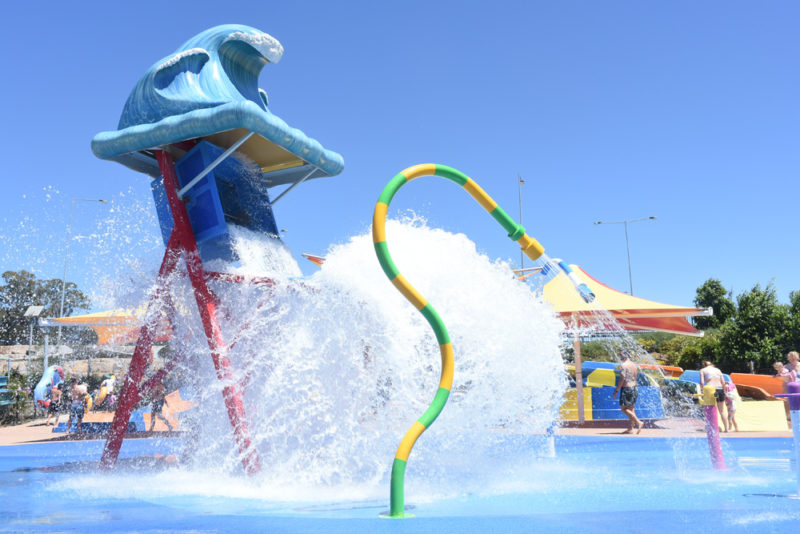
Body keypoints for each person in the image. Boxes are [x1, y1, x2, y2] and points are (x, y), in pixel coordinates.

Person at [613, 353, 642, 434]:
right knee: (631, 409)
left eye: (621, 355)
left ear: (626, 355)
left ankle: (638, 422)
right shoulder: (634, 365)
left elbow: (622, 379)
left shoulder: (623, 365)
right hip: (634, 388)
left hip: (627, 388)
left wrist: (616, 391)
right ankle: (630, 428)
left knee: (624, 409)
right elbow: (635, 377)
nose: (620, 356)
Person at [700, 360, 728, 432]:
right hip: (719, 389)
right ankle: (726, 429)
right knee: (722, 411)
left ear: (704, 365)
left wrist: (702, 392)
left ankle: (710, 428)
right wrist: (725, 392)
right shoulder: (718, 370)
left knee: (709, 409)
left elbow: (702, 382)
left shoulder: (702, 370)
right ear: (712, 365)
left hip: (710, 390)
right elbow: (723, 382)